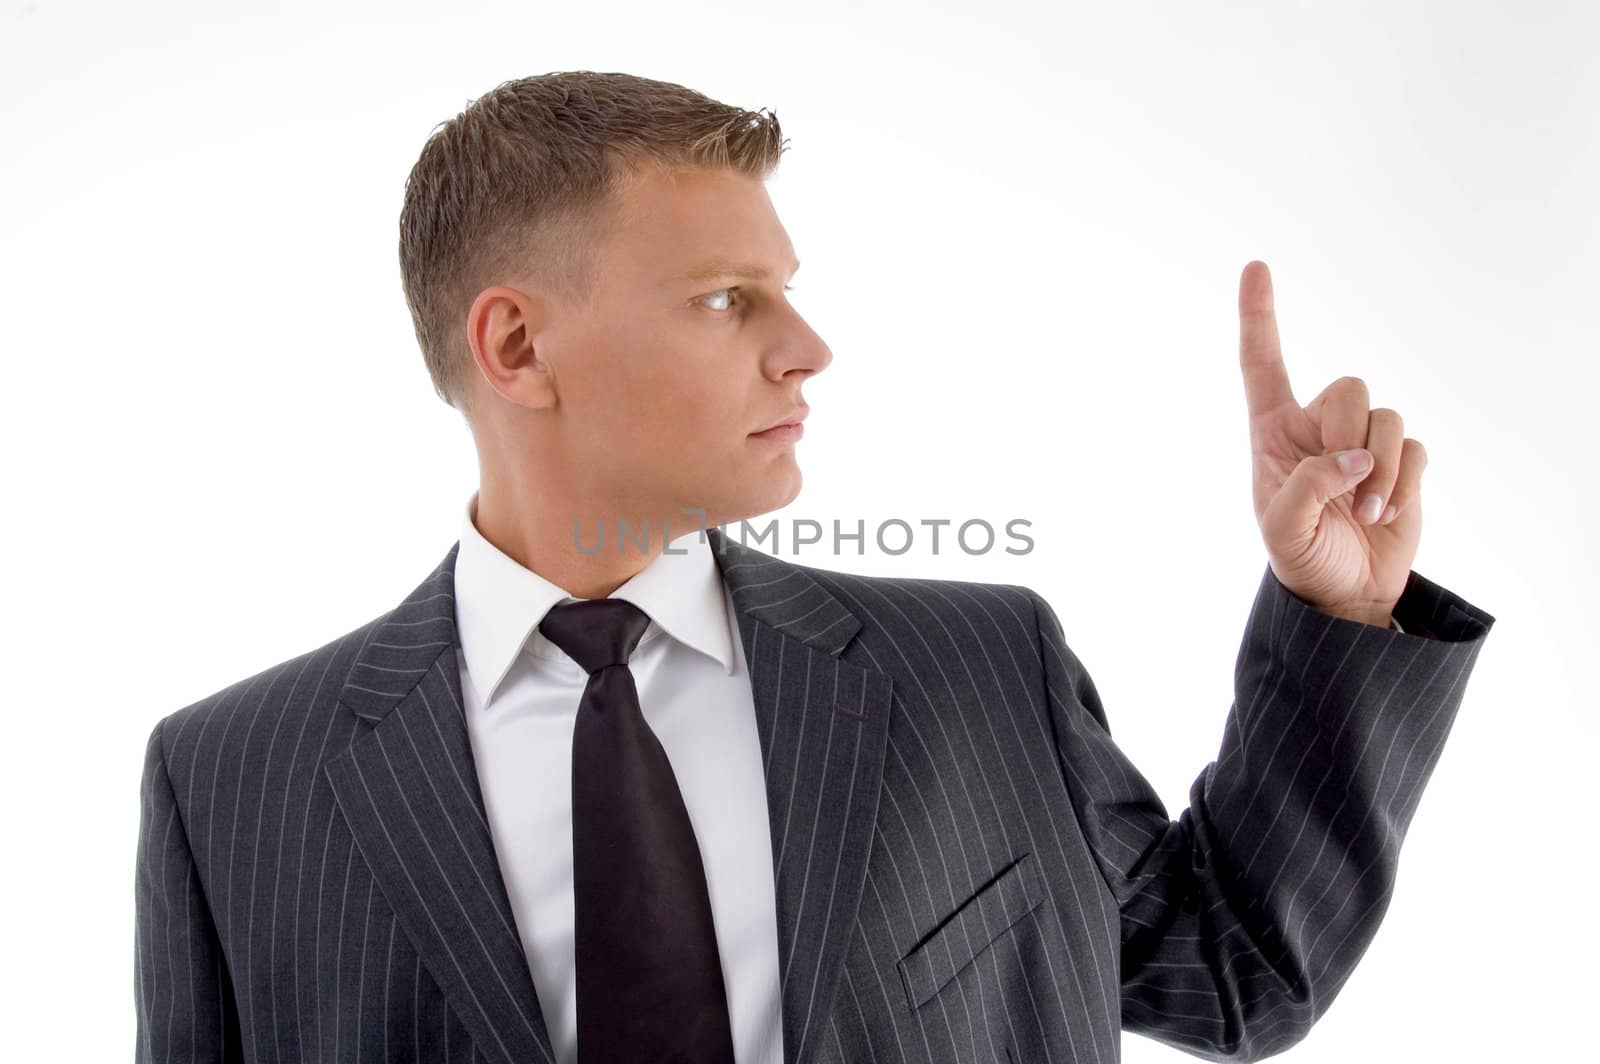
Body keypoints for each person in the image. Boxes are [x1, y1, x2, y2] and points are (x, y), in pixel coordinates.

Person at [133, 71, 1496, 1064]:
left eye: (786, 289)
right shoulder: (235, 781)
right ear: (516, 348)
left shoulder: (977, 671)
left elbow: (1238, 971)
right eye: (731, 299)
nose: (808, 347)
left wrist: (1338, 608)